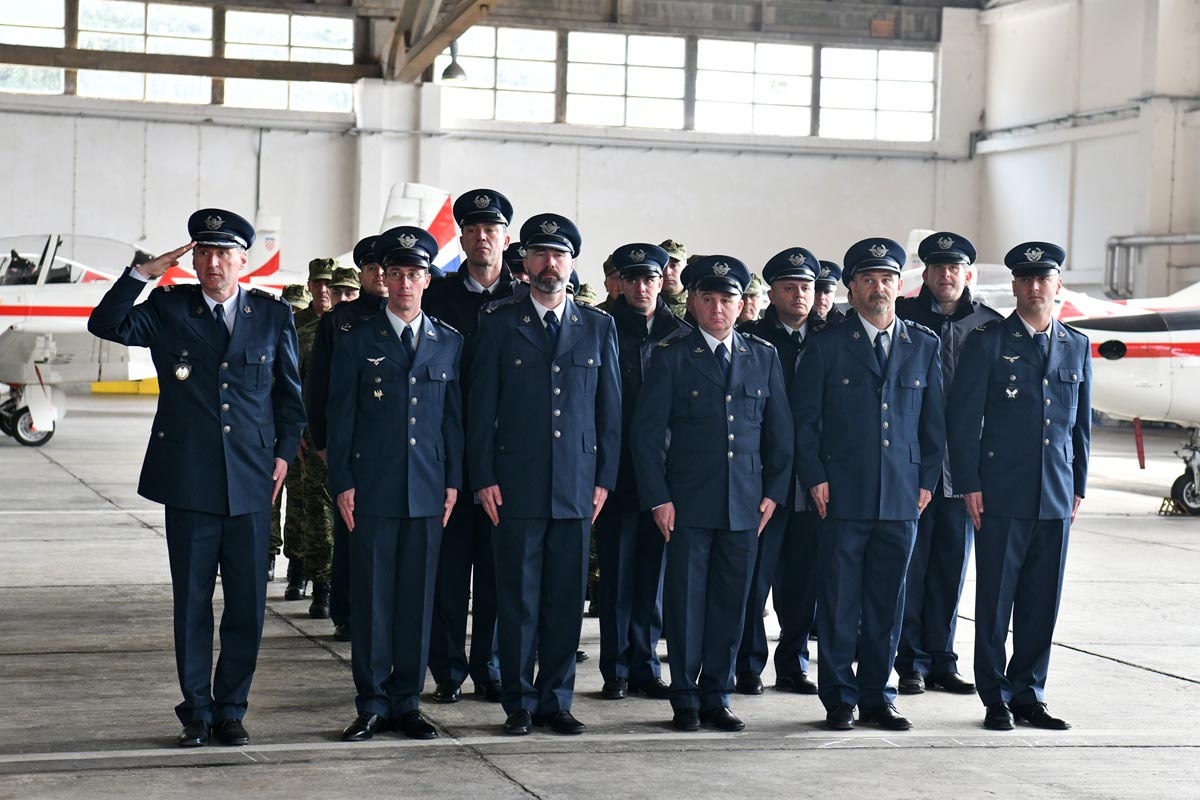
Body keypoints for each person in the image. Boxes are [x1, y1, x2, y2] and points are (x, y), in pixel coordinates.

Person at [88, 209, 305, 748]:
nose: (213, 263)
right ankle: (197, 713)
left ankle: (231, 709)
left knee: (247, 605)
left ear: (242, 260)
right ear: (193, 260)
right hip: (189, 480)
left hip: (253, 480)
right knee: (192, 603)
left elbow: (290, 399)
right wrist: (143, 274)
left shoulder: (272, 315)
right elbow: (106, 324)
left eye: (224, 253)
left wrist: (283, 455)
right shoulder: (169, 308)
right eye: (203, 253)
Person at [468, 213, 620, 736]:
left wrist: (604, 478)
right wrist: (483, 476)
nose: (549, 264)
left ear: (571, 263)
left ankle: (556, 700)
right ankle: (519, 702)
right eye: (540, 254)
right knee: (518, 600)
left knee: (564, 601)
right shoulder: (498, 322)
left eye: (558, 255)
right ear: (526, 262)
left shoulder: (598, 327)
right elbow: (480, 409)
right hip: (515, 485)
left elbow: (610, 412)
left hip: (577, 486)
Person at [632, 255, 793, 733]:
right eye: (708, 299)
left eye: (727, 299)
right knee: (685, 603)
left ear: (741, 305)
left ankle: (716, 695)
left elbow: (780, 434)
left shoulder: (762, 356)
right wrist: (659, 498)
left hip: (746, 504)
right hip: (687, 504)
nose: (718, 308)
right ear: (693, 303)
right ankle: (684, 696)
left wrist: (773, 493)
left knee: (731, 603)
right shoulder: (670, 355)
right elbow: (646, 436)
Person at [791, 237, 944, 733]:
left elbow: (934, 425)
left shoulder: (924, 345)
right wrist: (815, 477)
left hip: (902, 496)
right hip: (842, 494)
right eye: (869, 279)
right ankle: (840, 697)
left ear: (900, 286)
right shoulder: (827, 345)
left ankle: (879, 696)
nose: (879, 288)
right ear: (851, 288)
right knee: (839, 602)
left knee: (888, 602)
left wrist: (926, 481)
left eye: (887, 279)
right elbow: (805, 423)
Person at [947, 241, 1090, 732]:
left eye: (1042, 279)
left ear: (1057, 285)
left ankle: (1030, 693)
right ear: (1014, 286)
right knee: (995, 602)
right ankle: (996, 697)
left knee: (1041, 601)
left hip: (1056, 493)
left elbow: (1080, 427)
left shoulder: (1076, 344)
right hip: (1000, 491)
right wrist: (968, 483)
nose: (1034, 288)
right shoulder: (988, 341)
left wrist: (1078, 485)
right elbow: (963, 420)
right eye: (1026, 280)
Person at [328, 226, 463, 742]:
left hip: (428, 489)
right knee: (372, 600)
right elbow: (341, 418)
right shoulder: (356, 340)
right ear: (383, 279)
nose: (406, 283)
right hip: (373, 488)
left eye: (415, 274)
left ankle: (407, 701)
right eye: (397, 274)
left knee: (417, 600)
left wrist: (453, 480)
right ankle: (371, 702)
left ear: (428, 279)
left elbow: (453, 421)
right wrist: (342, 481)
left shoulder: (449, 342)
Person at [894, 232, 1002, 697]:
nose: (945, 275)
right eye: (937, 267)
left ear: (967, 274)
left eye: (954, 268)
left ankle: (942, 659)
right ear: (926, 273)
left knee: (951, 566)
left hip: (964, 470)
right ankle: (910, 662)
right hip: (911, 464)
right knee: (910, 567)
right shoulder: (902, 317)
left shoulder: (989, 325)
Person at [422, 189, 516, 705]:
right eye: (474, 230)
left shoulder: (524, 299)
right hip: (448, 455)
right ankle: (448, 669)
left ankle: (490, 666)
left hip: (506, 458)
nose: (483, 238)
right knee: (450, 572)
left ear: (505, 238)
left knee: (499, 571)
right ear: (461, 239)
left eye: (492, 230)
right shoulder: (436, 298)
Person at [594, 243, 691, 702]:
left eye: (649, 278)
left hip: (667, 473)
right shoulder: (601, 327)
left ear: (662, 280)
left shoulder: (681, 332)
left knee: (653, 576)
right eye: (631, 279)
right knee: (617, 576)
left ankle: (645, 665)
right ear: (619, 282)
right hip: (617, 471)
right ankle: (615, 668)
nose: (641, 287)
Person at [735, 247, 820, 696]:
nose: (799, 295)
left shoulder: (830, 337)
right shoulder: (751, 339)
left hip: (814, 480)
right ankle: (748, 665)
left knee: (803, 580)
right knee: (754, 578)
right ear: (771, 294)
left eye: (806, 287)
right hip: (764, 479)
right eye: (789, 287)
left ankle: (793, 663)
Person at [305, 235, 389, 641]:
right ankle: (347, 612)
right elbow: (317, 390)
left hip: (396, 450)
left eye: (385, 268)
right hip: (351, 449)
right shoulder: (338, 321)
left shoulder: (411, 313)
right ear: (362, 274)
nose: (380, 276)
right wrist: (324, 445)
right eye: (372, 268)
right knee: (351, 530)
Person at [658, 239, 689, 319]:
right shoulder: (647, 303)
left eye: (674, 265)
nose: (667, 272)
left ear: (686, 268)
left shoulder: (696, 304)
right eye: (662, 266)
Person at [812, 261, 846, 330]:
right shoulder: (797, 324)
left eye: (827, 292)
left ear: (834, 294)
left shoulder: (844, 324)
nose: (821, 297)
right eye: (816, 291)